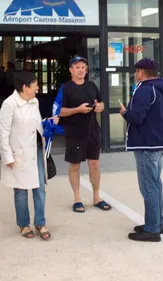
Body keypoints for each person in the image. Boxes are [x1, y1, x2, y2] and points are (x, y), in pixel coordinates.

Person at [0, 71, 58, 240]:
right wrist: (7, 157)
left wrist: (48, 122)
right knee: (21, 190)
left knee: (40, 188)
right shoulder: (9, 104)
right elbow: (2, 133)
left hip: (35, 151)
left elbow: (36, 125)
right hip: (19, 153)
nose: (38, 88)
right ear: (25, 87)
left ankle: (40, 222)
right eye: (35, 85)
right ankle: (23, 224)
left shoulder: (34, 102)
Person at [119, 58, 163, 242]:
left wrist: (125, 112)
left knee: (148, 186)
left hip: (146, 144)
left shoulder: (144, 89)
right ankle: (157, 222)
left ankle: (151, 229)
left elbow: (137, 117)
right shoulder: (162, 88)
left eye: (137, 71)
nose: (136, 74)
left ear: (142, 72)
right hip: (159, 142)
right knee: (156, 184)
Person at [59, 56, 111, 213]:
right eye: (77, 67)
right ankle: (77, 199)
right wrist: (77, 110)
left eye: (83, 67)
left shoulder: (92, 86)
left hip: (92, 131)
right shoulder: (66, 88)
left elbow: (100, 103)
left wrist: (100, 107)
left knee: (94, 164)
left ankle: (96, 197)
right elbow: (59, 111)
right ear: (71, 70)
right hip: (75, 132)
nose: (81, 70)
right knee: (75, 166)